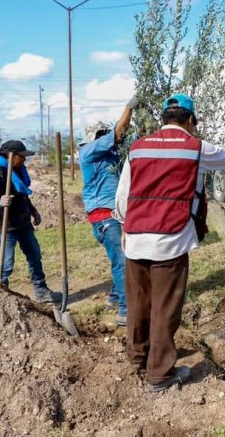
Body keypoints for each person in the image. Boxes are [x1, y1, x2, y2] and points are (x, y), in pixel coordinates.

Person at [113, 93, 225, 392]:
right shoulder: (195, 147)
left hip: (135, 238)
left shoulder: (138, 147)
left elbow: (123, 195)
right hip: (170, 241)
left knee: (138, 302)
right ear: (191, 120)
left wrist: (124, 226)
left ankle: (137, 356)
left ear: (163, 119)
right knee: (165, 308)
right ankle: (160, 376)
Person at [78, 96, 139, 327]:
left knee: (120, 257)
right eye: (105, 135)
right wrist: (129, 107)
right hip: (105, 216)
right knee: (122, 261)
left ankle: (114, 297)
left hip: (112, 215)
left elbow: (126, 138)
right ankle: (126, 310)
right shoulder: (89, 151)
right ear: (96, 137)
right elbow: (119, 132)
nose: (110, 138)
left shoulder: (108, 155)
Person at [0, 140, 59, 303]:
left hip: (23, 224)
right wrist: (0, 202)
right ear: (10, 156)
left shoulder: (18, 171)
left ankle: (41, 291)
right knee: (6, 265)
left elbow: (22, 195)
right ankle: (1, 298)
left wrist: (33, 211)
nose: (24, 159)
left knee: (35, 256)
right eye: (21, 156)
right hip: (5, 228)